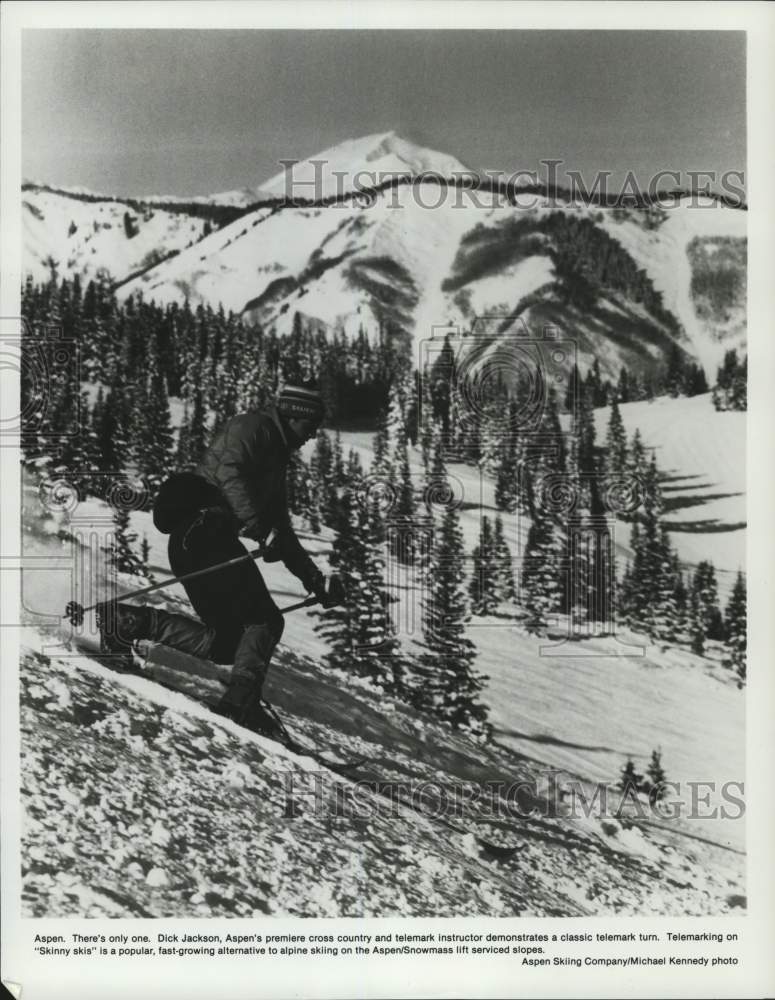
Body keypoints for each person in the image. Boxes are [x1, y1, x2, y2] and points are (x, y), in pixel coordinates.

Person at [95, 382, 345, 737]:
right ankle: (241, 703)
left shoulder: (275, 459)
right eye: (311, 425)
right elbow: (230, 473)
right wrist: (260, 527)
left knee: (228, 642)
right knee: (263, 620)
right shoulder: (254, 427)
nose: (313, 435)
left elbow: (281, 530)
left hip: (198, 541)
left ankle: (126, 623)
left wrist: (314, 580)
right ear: (295, 415)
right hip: (204, 532)